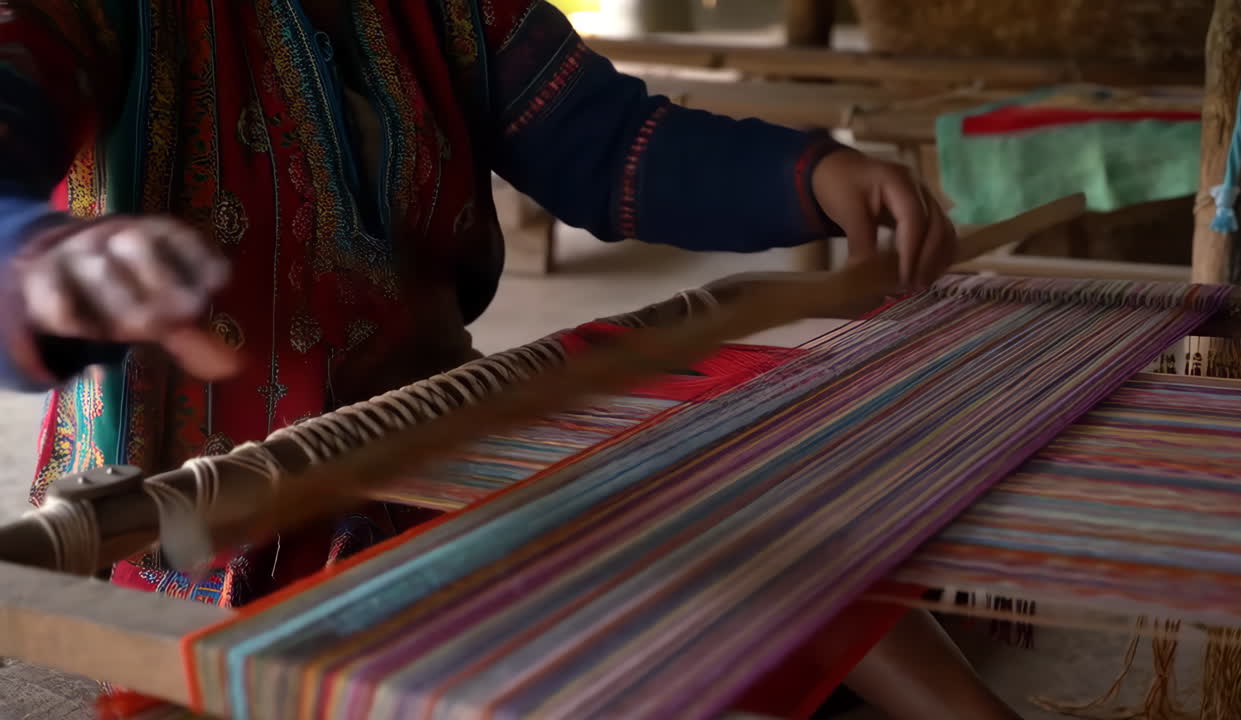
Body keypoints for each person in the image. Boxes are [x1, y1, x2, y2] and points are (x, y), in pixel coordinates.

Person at [0, 1, 1019, 718]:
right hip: (213, 522)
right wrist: (43, 264)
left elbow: (607, 144)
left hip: (443, 440)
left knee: (730, 471)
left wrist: (807, 173)